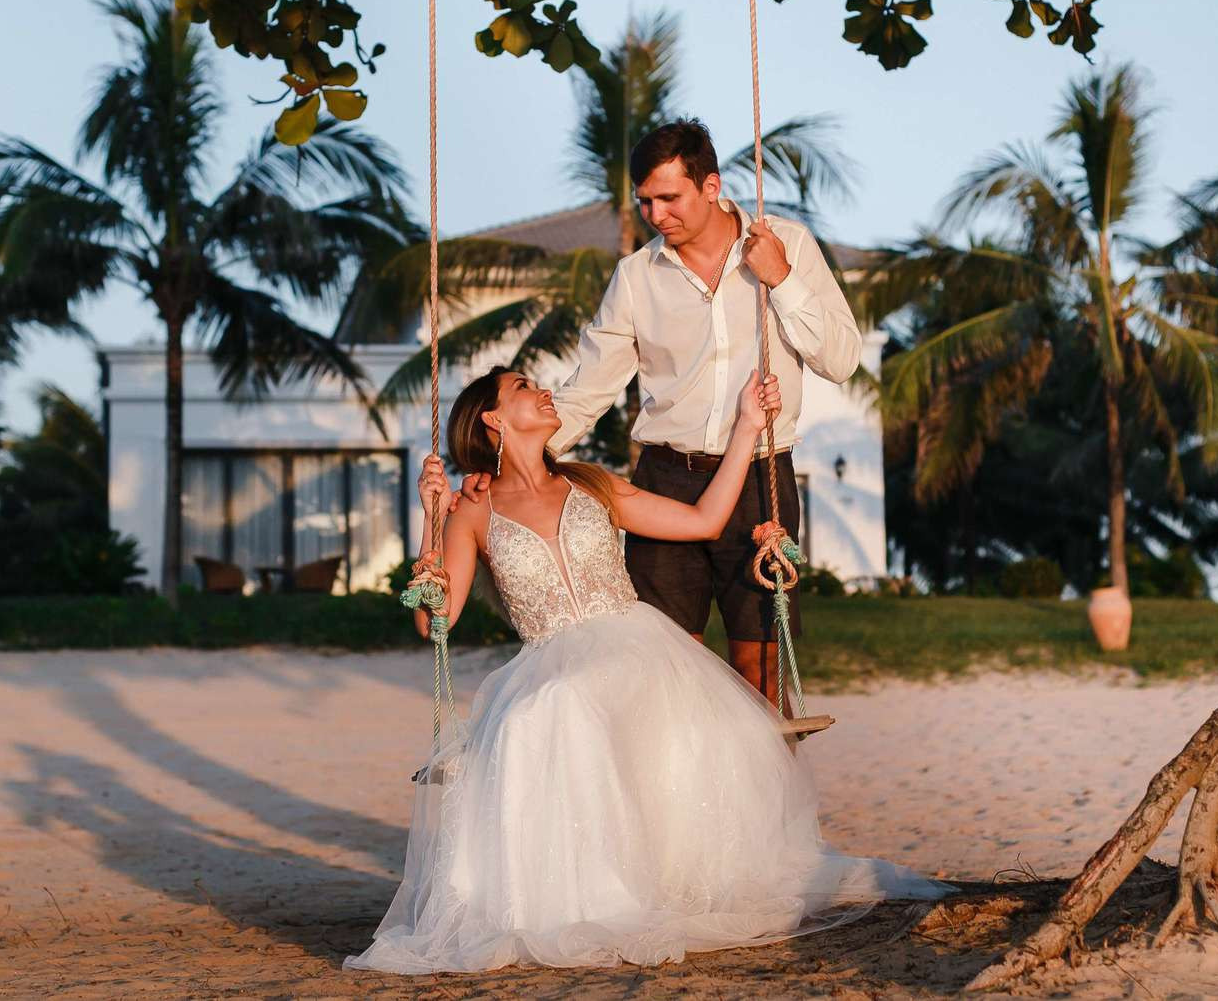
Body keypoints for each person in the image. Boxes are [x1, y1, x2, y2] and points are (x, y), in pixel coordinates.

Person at [344, 367, 942, 974]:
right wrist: (432, 518)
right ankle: (576, 898)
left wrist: (745, 428)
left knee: (560, 705)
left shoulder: (594, 485)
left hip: (635, 647)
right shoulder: (475, 510)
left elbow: (704, 520)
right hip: (548, 663)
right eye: (523, 386)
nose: (543, 389)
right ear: (493, 419)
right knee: (539, 712)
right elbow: (433, 624)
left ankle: (635, 884)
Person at [462, 118, 862, 708]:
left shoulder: (788, 245)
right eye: (645, 201)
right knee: (665, 663)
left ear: (710, 186)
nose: (655, 214)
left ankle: (766, 800)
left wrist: (778, 279)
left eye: (668, 197)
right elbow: (587, 391)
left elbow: (841, 360)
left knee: (761, 664)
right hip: (666, 477)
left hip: (760, 478)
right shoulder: (635, 276)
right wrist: (506, 465)